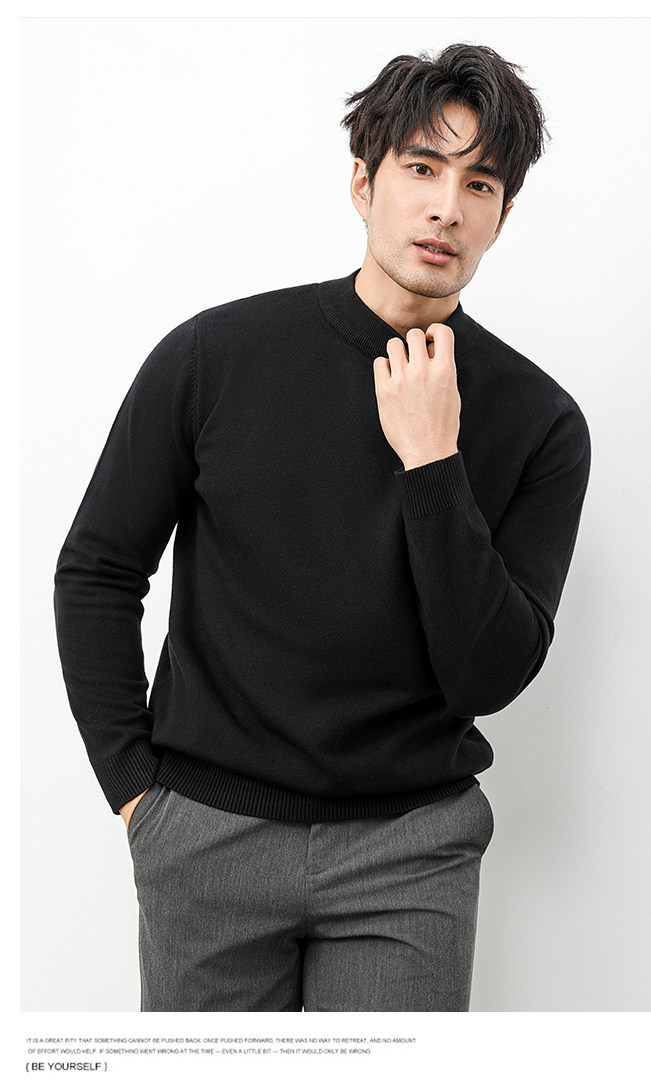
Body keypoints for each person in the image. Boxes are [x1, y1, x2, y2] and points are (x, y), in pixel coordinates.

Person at [54, 43, 590, 1012]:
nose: (446, 207)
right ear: (363, 183)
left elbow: (489, 676)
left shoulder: (539, 420)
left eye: (479, 184)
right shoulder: (216, 355)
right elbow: (98, 567)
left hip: (411, 852)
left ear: (502, 217)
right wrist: (134, 788)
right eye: (422, 167)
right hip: (207, 832)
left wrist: (433, 463)